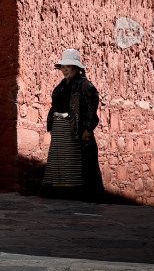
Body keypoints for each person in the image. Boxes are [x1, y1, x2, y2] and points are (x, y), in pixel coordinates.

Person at [41, 48, 104, 200]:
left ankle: (73, 193)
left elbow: (92, 106)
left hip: (74, 130)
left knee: (72, 162)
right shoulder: (61, 86)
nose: (65, 70)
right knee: (59, 161)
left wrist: (88, 128)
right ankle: (59, 191)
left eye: (68, 67)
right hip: (59, 130)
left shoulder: (84, 85)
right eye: (63, 67)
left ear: (76, 68)